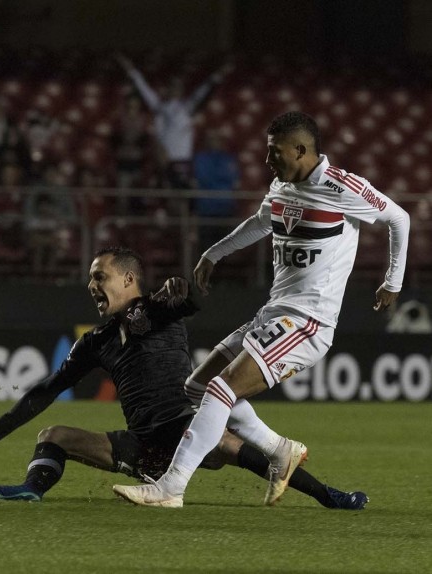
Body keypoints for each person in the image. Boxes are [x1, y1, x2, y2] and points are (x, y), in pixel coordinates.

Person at [113, 111, 409, 508]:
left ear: (301, 150)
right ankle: (280, 450)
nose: (268, 160)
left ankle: (172, 486)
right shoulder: (282, 186)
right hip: (274, 313)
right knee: (198, 386)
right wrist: (213, 254)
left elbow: (399, 218)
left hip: (308, 320)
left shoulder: (343, 187)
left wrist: (392, 281)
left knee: (222, 388)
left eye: (275, 152)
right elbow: (260, 222)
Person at [0, 247, 368, 510]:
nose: (91, 283)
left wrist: (183, 290)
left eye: (100, 276)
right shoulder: (94, 342)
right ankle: (30, 490)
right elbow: (47, 390)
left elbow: (192, 301)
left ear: (128, 279)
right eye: (91, 276)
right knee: (52, 433)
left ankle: (329, 496)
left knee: (224, 440)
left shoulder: (155, 309)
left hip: (184, 429)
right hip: (143, 445)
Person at [117, 54, 230, 193]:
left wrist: (217, 76)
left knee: (181, 196)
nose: (173, 89)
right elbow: (144, 89)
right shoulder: (159, 107)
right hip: (161, 162)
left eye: (176, 86)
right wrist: (131, 70)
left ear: (181, 90)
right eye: (171, 86)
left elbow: (203, 92)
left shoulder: (186, 108)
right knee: (161, 196)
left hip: (181, 160)